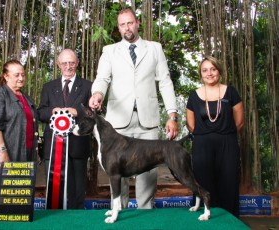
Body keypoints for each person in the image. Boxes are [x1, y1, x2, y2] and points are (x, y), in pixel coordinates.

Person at [89, 7, 178, 209]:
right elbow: (102, 78)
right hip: (118, 122)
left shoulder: (155, 48)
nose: (127, 28)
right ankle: (118, 212)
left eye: (130, 23)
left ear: (137, 23)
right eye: (122, 25)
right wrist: (97, 94)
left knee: (148, 171)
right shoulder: (109, 51)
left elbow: (164, 81)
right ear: (118, 28)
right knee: (116, 171)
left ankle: (145, 213)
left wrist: (172, 115)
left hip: (148, 121)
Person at [186, 56, 244, 217]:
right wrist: (206, 136)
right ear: (201, 74)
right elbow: (190, 124)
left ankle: (229, 221)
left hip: (228, 145)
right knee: (203, 183)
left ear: (219, 71)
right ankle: (204, 221)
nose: (209, 73)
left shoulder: (230, 92)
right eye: (205, 70)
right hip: (202, 147)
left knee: (229, 182)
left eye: (213, 69)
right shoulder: (193, 95)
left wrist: (224, 135)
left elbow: (239, 122)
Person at [38, 48, 92, 209]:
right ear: (58, 64)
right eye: (64, 63)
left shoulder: (88, 86)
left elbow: (95, 113)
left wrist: (78, 112)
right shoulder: (48, 87)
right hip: (53, 146)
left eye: (71, 63)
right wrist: (51, 112)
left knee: (77, 191)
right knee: (55, 191)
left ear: (77, 63)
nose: (68, 66)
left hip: (78, 146)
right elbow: (40, 112)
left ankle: (77, 221)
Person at [0, 60, 39, 211]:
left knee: (21, 206)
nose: (21, 78)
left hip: (26, 156)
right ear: (6, 76)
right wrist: (2, 152)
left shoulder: (25, 97)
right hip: (8, 155)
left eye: (23, 74)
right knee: (5, 205)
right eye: (16, 75)